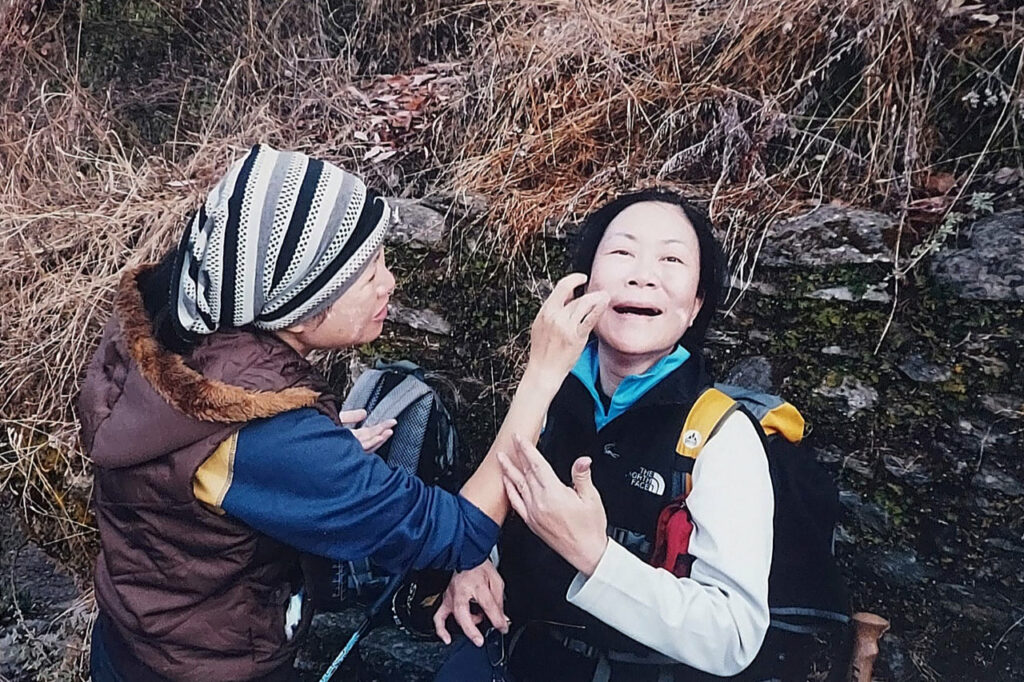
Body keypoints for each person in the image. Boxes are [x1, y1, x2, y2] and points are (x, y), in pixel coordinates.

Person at [78, 143, 608, 682]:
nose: (390, 283)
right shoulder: (265, 435)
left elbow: (194, 477)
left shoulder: (167, 330)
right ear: (298, 306)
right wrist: (544, 371)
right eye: (368, 270)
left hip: (134, 639)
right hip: (215, 667)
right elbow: (459, 534)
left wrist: (305, 466)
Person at [433, 190, 779, 681]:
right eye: (622, 252)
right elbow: (495, 498)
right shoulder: (548, 390)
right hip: (510, 656)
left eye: (672, 259)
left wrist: (595, 557)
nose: (643, 274)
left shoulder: (721, 437)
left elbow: (734, 636)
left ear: (696, 302)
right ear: (585, 282)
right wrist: (473, 563)